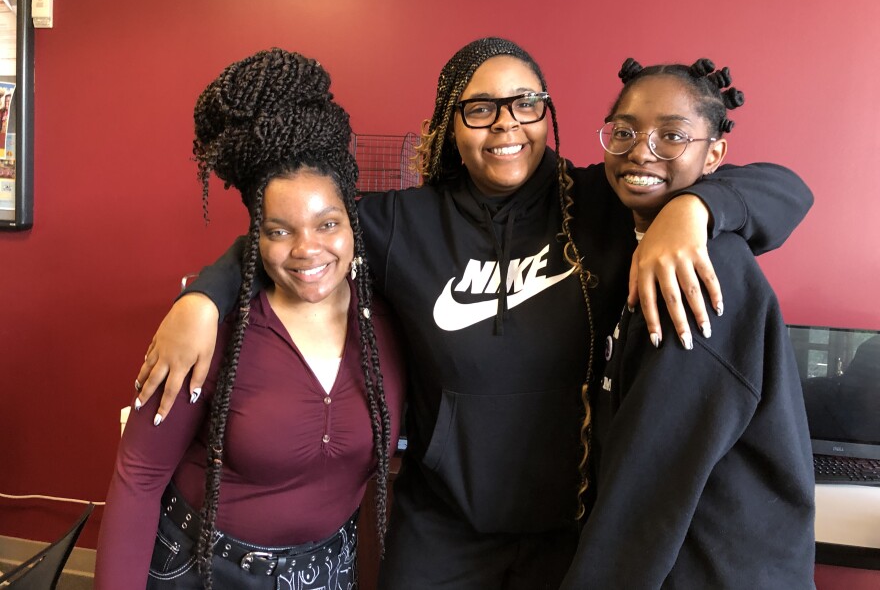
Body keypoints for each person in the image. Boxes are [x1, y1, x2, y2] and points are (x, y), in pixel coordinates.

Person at [134, 38, 813, 590]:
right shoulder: (405, 225)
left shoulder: (601, 203)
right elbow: (300, 238)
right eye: (480, 109)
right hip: (444, 527)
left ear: (548, 114)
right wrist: (204, 296)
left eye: (525, 104)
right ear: (447, 127)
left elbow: (785, 189)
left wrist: (694, 211)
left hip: (566, 524)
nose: (507, 125)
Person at [95, 49, 405, 589]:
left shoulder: (387, 320)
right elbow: (139, 475)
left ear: (353, 222)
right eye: (280, 230)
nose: (307, 250)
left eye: (327, 223)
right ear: (255, 238)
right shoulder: (213, 329)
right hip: (201, 568)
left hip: (324, 571)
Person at [559, 59, 815, 589]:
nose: (640, 150)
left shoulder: (698, 272)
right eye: (624, 130)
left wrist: (693, 207)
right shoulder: (620, 223)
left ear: (714, 153)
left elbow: (649, 484)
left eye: (672, 136)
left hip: (713, 569)